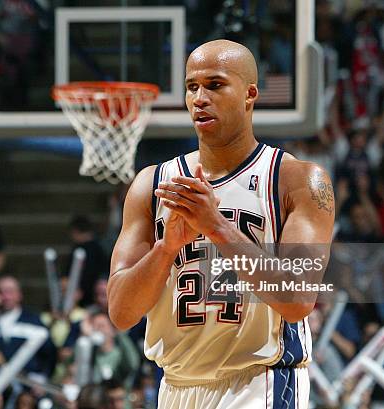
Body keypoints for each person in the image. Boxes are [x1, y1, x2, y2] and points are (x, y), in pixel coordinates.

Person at [108, 39, 335, 408]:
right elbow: (121, 311)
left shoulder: (297, 180)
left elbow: (297, 298)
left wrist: (217, 228)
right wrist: (166, 249)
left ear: (249, 94)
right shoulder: (152, 184)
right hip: (176, 386)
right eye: (191, 87)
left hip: (260, 381)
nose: (199, 98)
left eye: (214, 85)